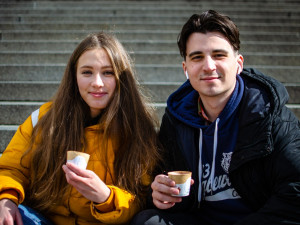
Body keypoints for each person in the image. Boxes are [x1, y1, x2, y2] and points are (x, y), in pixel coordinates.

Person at [131, 10, 300, 225]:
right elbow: (167, 188)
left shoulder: (270, 115)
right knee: (147, 221)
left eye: (219, 55)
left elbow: (295, 191)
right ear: (186, 68)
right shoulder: (176, 120)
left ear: (238, 64)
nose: (209, 66)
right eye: (197, 57)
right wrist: (159, 195)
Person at [0, 32, 161, 225]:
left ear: (121, 78)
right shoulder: (43, 119)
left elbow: (142, 200)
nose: (97, 83)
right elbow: (11, 168)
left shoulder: (138, 129)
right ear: (73, 76)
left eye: (108, 72)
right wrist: (6, 198)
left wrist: (107, 198)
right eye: (87, 72)